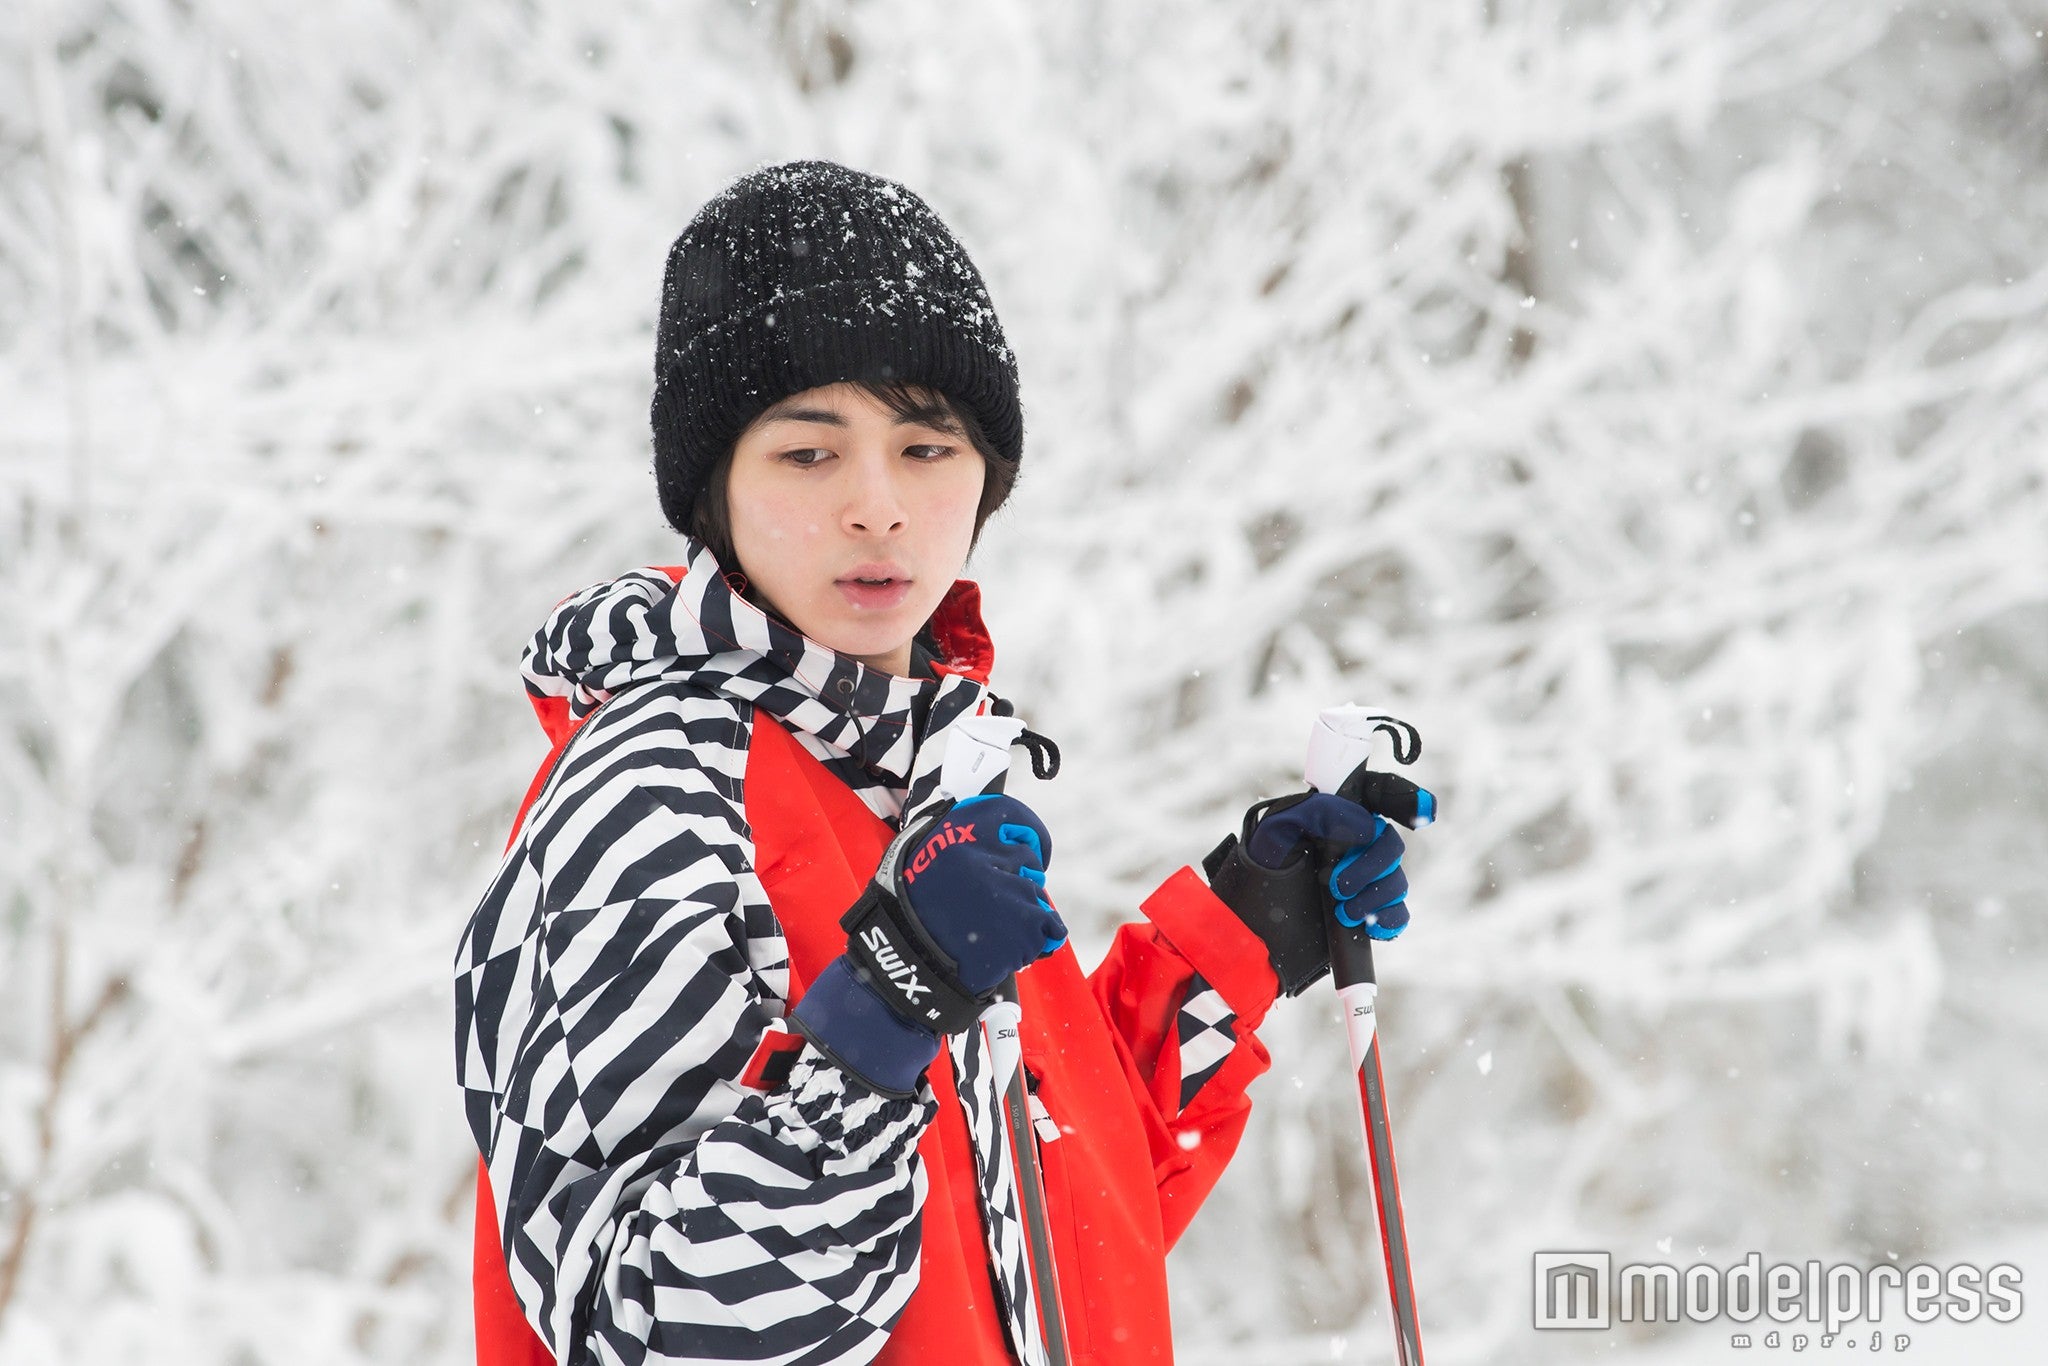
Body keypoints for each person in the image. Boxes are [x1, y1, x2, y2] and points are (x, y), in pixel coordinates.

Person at [454, 160, 1420, 1366]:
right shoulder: (648, 794)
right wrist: (885, 1008)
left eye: (925, 448)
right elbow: (667, 1326)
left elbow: (1032, 1237)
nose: (877, 505)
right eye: (809, 454)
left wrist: (1239, 945)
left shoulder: (927, 773)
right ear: (715, 490)